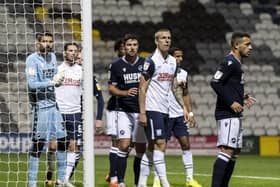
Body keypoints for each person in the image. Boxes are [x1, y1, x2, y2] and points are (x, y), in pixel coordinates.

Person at [210, 32, 256, 187]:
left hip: (234, 114)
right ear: (237, 45)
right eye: (247, 44)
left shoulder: (237, 63)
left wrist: (242, 97)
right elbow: (215, 82)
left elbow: (228, 86)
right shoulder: (230, 62)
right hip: (227, 114)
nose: (251, 47)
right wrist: (231, 102)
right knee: (227, 151)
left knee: (234, 152)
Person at [152, 47, 202, 187]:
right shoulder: (163, 71)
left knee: (186, 144)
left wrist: (190, 112)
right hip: (164, 113)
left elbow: (185, 93)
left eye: (181, 56)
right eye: (177, 56)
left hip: (179, 115)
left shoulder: (183, 73)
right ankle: (157, 180)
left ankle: (189, 179)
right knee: (161, 147)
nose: (180, 59)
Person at [26, 32, 67, 187]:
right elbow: (32, 84)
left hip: (54, 106)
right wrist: (51, 82)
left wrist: (58, 80)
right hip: (40, 107)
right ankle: (32, 183)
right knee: (39, 145)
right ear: (38, 43)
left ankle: (61, 180)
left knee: (63, 140)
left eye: (50, 41)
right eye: (44, 41)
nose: (47, 44)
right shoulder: (32, 60)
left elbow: (55, 78)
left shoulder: (53, 57)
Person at [138, 28, 177, 187]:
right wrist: (142, 113)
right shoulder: (151, 61)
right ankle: (164, 182)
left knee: (154, 147)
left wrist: (183, 109)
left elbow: (173, 88)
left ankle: (141, 183)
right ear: (156, 41)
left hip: (166, 109)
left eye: (169, 38)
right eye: (163, 38)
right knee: (160, 144)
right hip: (153, 108)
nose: (167, 40)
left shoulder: (173, 61)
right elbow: (142, 88)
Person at [108, 34, 147, 187]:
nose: (132, 47)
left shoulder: (145, 64)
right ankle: (120, 182)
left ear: (138, 46)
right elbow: (111, 88)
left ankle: (139, 183)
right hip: (122, 110)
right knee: (123, 145)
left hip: (141, 111)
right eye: (129, 45)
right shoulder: (116, 65)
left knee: (140, 150)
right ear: (124, 46)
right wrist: (125, 93)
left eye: (135, 45)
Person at [54, 42, 83, 187]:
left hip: (75, 112)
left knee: (74, 145)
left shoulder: (81, 71)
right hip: (59, 112)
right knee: (58, 146)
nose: (73, 53)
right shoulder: (57, 69)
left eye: (75, 51)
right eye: (70, 50)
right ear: (65, 53)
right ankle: (57, 176)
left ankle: (64, 179)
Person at [104, 38, 125, 184]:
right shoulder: (115, 67)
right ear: (118, 51)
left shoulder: (137, 66)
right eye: (122, 47)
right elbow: (111, 89)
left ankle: (113, 171)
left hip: (131, 109)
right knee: (116, 142)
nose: (126, 49)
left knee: (127, 145)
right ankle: (113, 178)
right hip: (115, 108)